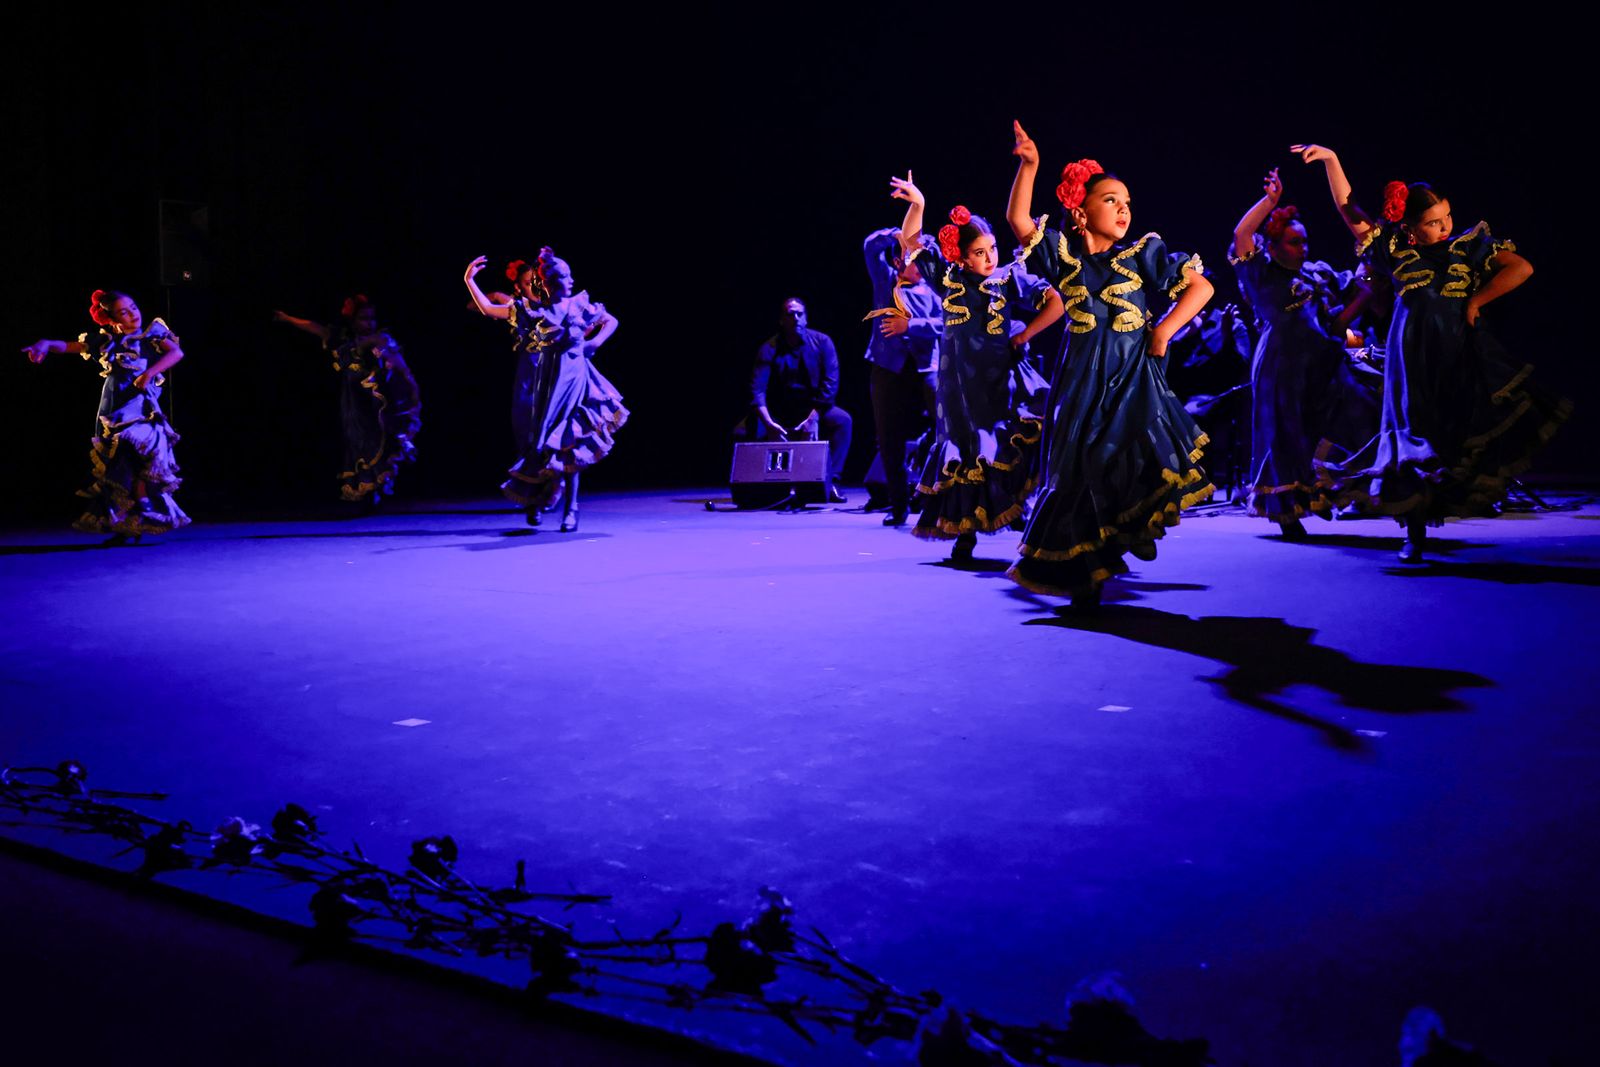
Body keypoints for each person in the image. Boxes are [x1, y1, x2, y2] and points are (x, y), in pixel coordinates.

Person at [1293, 143, 1570, 562]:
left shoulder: (1466, 247)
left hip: (1458, 350)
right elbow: (1349, 208)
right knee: (1412, 433)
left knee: (1460, 429)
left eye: (1446, 217)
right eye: (1432, 223)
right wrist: (1332, 160)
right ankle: (1414, 532)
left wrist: (1477, 302)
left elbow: (1521, 268)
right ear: (1408, 227)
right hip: (1412, 354)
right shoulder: (1394, 249)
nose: (1444, 227)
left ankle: (1453, 504)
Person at [1004, 121, 1215, 608]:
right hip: (1080, 383)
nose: (1123, 208)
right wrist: (1029, 165)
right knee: (1077, 471)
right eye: (1110, 200)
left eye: (1126, 201)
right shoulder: (1065, 259)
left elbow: (1201, 288)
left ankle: (1107, 551)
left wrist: (1162, 329)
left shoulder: (1141, 255)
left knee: (1117, 464)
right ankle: (1084, 571)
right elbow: (1018, 220)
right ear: (1080, 211)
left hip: (1130, 381)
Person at [888, 172, 1063, 559]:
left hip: (998, 383)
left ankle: (1019, 513)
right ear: (962, 256)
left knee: (1002, 445)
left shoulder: (1007, 280)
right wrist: (918, 204)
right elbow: (913, 241)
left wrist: (1024, 335)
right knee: (963, 453)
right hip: (958, 391)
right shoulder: (948, 281)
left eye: (993, 249)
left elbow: (1056, 303)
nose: (990, 258)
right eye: (980, 252)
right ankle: (964, 532)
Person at [1229, 167, 1379, 536]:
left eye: (1305, 242)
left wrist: (1364, 292)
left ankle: (1332, 491)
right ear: (1275, 246)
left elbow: (1336, 320)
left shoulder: (1317, 274)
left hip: (1322, 364)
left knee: (1354, 413)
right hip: (1282, 367)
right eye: (1295, 243)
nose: (1304, 248)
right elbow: (1242, 233)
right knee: (1285, 436)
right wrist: (1270, 202)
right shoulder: (1261, 273)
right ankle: (1287, 513)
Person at [464, 249, 626, 531]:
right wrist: (469, 279)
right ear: (548, 283)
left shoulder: (578, 305)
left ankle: (571, 508)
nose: (571, 280)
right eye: (565, 276)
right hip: (549, 386)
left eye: (570, 274)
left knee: (571, 444)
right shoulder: (534, 312)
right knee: (541, 445)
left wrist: (595, 343)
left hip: (578, 383)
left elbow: (610, 320)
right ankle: (537, 500)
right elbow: (489, 309)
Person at [23, 289, 190, 542]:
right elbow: (71, 346)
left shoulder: (151, 334)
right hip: (113, 406)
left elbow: (176, 353)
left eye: (133, 307)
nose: (133, 314)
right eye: (124, 312)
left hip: (141, 405)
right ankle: (126, 522)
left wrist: (149, 373)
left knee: (144, 449)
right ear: (111, 319)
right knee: (118, 463)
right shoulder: (107, 341)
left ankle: (144, 499)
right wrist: (46, 343)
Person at [274, 295, 421, 506]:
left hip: (375, 402)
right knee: (357, 445)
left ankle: (378, 490)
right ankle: (365, 493)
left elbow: (399, 365)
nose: (369, 323)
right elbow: (315, 328)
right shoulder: (343, 341)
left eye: (372, 319)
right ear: (352, 321)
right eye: (363, 319)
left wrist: (408, 384)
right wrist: (288, 319)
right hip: (353, 404)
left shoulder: (380, 340)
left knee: (378, 442)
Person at [862, 227, 942, 525]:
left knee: (943, 430)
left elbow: (948, 323)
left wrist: (912, 326)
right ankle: (898, 505)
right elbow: (870, 245)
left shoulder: (935, 288)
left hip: (925, 368)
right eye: (914, 260)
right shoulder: (885, 281)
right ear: (899, 262)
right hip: (887, 367)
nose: (920, 267)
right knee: (888, 436)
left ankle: (933, 494)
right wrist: (898, 234)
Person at [750, 299, 852, 503]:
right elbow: (757, 390)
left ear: (806, 318)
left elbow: (830, 385)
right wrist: (768, 423)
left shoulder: (822, 342)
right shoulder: (769, 348)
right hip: (779, 410)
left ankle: (832, 481)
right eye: (790, 314)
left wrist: (813, 418)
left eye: (799, 314)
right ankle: (760, 487)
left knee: (842, 421)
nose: (795, 318)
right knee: (745, 429)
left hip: (815, 408)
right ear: (781, 320)